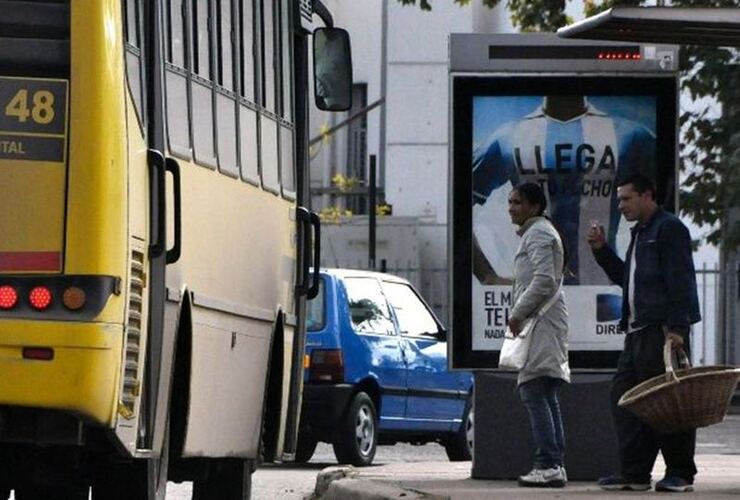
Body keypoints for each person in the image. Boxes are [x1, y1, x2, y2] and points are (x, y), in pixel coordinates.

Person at [586, 173, 701, 493]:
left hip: (662, 332)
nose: (621, 205)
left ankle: (680, 472)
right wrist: (602, 251)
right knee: (626, 399)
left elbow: (681, 280)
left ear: (648, 196)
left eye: (626, 198)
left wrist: (678, 328)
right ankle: (635, 472)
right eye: (620, 199)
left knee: (670, 403)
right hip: (637, 333)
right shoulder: (641, 232)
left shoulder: (669, 229)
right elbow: (629, 280)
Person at [472, 95, 656, 285]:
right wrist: (487, 276)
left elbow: (662, 214)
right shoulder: (508, 137)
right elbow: (457, 203)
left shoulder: (631, 136)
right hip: (535, 295)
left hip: (604, 294)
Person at [506, 183, 571, 488]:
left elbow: (544, 280)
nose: (511, 208)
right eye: (510, 202)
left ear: (534, 206)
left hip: (541, 323)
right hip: (543, 322)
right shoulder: (537, 233)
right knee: (543, 390)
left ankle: (548, 463)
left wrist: (517, 312)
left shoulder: (540, 234)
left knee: (534, 389)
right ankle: (553, 462)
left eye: (517, 202)